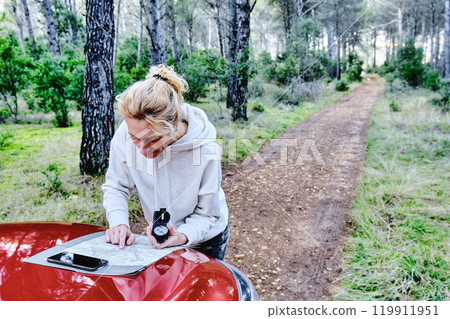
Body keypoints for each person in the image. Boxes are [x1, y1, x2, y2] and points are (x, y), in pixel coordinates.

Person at [102, 65, 229, 260]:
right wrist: (118, 223)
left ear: (174, 126)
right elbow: (116, 186)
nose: (142, 150)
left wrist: (183, 235)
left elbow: (208, 214)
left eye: (152, 140)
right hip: (161, 240)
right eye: (134, 138)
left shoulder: (206, 150)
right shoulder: (124, 134)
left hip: (206, 240)